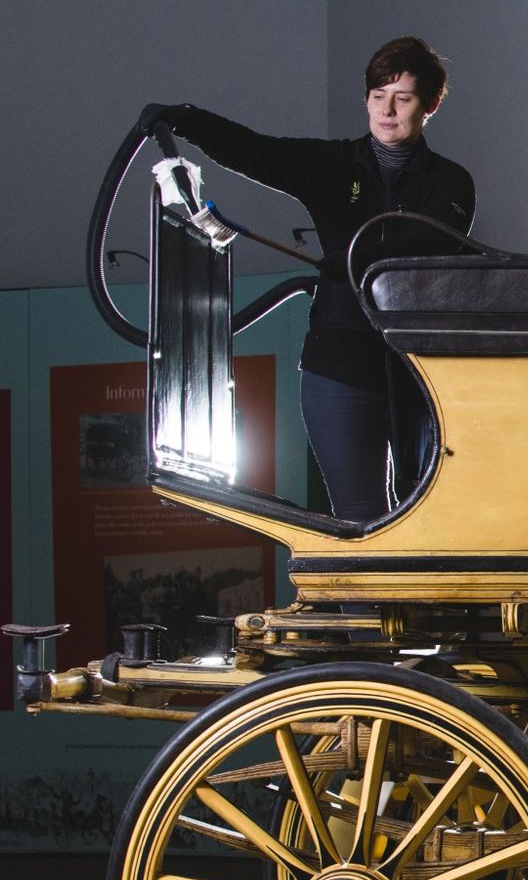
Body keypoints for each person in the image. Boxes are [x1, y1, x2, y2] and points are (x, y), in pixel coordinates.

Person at [146, 36, 475, 522]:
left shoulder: (451, 182)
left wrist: (348, 261)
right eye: (377, 96)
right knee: (357, 517)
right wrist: (185, 118)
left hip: (420, 370)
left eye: (402, 99)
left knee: (426, 516)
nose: (387, 110)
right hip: (338, 368)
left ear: (428, 107)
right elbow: (255, 151)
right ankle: (364, 604)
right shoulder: (332, 166)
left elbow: (424, 251)